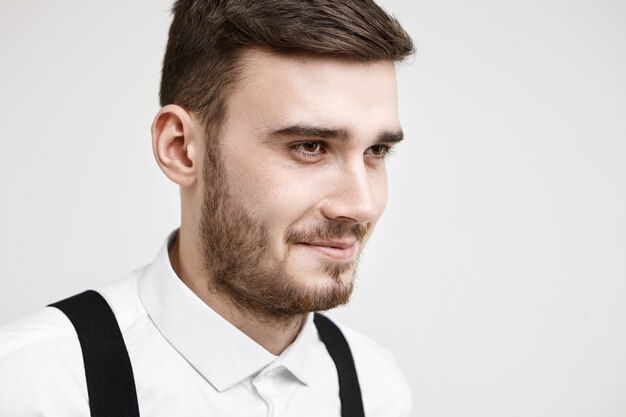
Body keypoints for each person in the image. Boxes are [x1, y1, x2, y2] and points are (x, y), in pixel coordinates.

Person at [0, 0, 414, 415]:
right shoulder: (32, 385)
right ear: (180, 148)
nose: (361, 205)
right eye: (309, 147)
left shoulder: (376, 386)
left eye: (377, 150)